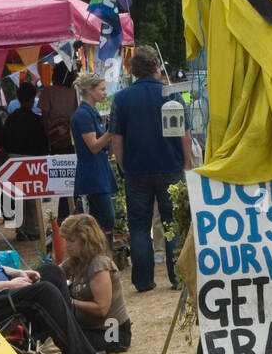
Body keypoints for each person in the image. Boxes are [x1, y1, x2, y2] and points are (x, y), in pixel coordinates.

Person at [0, 198, 125, 354]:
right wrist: (9, 284)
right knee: (44, 291)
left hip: (5, 291)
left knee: (52, 271)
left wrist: (19, 273)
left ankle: (75, 347)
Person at [110, 45, 192, 292]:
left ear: (133, 70)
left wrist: (124, 165)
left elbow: (116, 139)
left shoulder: (121, 99)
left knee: (138, 226)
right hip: (171, 167)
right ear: (156, 67)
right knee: (172, 224)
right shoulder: (172, 95)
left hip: (137, 169)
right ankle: (177, 277)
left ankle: (143, 280)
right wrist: (186, 164)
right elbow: (185, 136)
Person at [59, 213, 131, 353]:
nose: (67, 245)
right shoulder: (76, 261)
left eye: (72, 240)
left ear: (86, 241)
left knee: (62, 342)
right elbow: (55, 273)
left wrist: (70, 302)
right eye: (66, 240)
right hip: (90, 329)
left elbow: (101, 308)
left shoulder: (99, 264)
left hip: (112, 334)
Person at [70, 72, 118, 239]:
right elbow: (94, 146)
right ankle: (101, 254)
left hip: (98, 171)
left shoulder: (91, 112)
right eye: (102, 89)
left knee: (103, 219)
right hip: (92, 175)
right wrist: (112, 131)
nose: (105, 93)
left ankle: (103, 254)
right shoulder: (83, 115)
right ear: (90, 90)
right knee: (105, 218)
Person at [3, 81, 50, 241]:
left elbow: (4, 140)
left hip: (13, 159)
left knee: (17, 197)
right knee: (32, 198)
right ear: (32, 99)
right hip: (32, 161)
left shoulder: (10, 119)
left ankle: (20, 229)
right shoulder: (36, 120)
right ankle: (34, 229)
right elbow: (44, 142)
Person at [42, 64, 79, 221]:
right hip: (72, 138)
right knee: (72, 178)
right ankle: (69, 212)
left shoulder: (48, 91)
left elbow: (44, 116)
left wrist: (49, 134)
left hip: (55, 139)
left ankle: (63, 216)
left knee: (60, 178)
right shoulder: (75, 93)